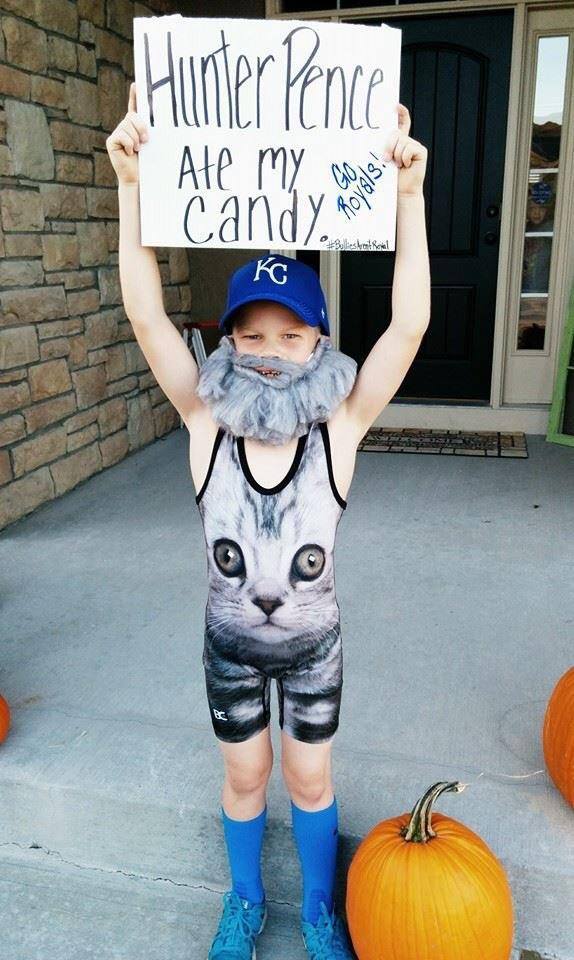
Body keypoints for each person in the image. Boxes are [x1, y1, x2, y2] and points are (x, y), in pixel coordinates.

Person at [107, 81, 429, 960]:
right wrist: (131, 187)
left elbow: (409, 326)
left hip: (316, 648)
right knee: (246, 773)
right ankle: (245, 901)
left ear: (320, 345)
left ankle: (319, 909)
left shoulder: (341, 429)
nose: (272, 354)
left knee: (310, 776)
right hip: (230, 645)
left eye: (292, 337)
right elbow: (144, 314)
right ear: (228, 344)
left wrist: (408, 198)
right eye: (252, 336)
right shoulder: (203, 421)